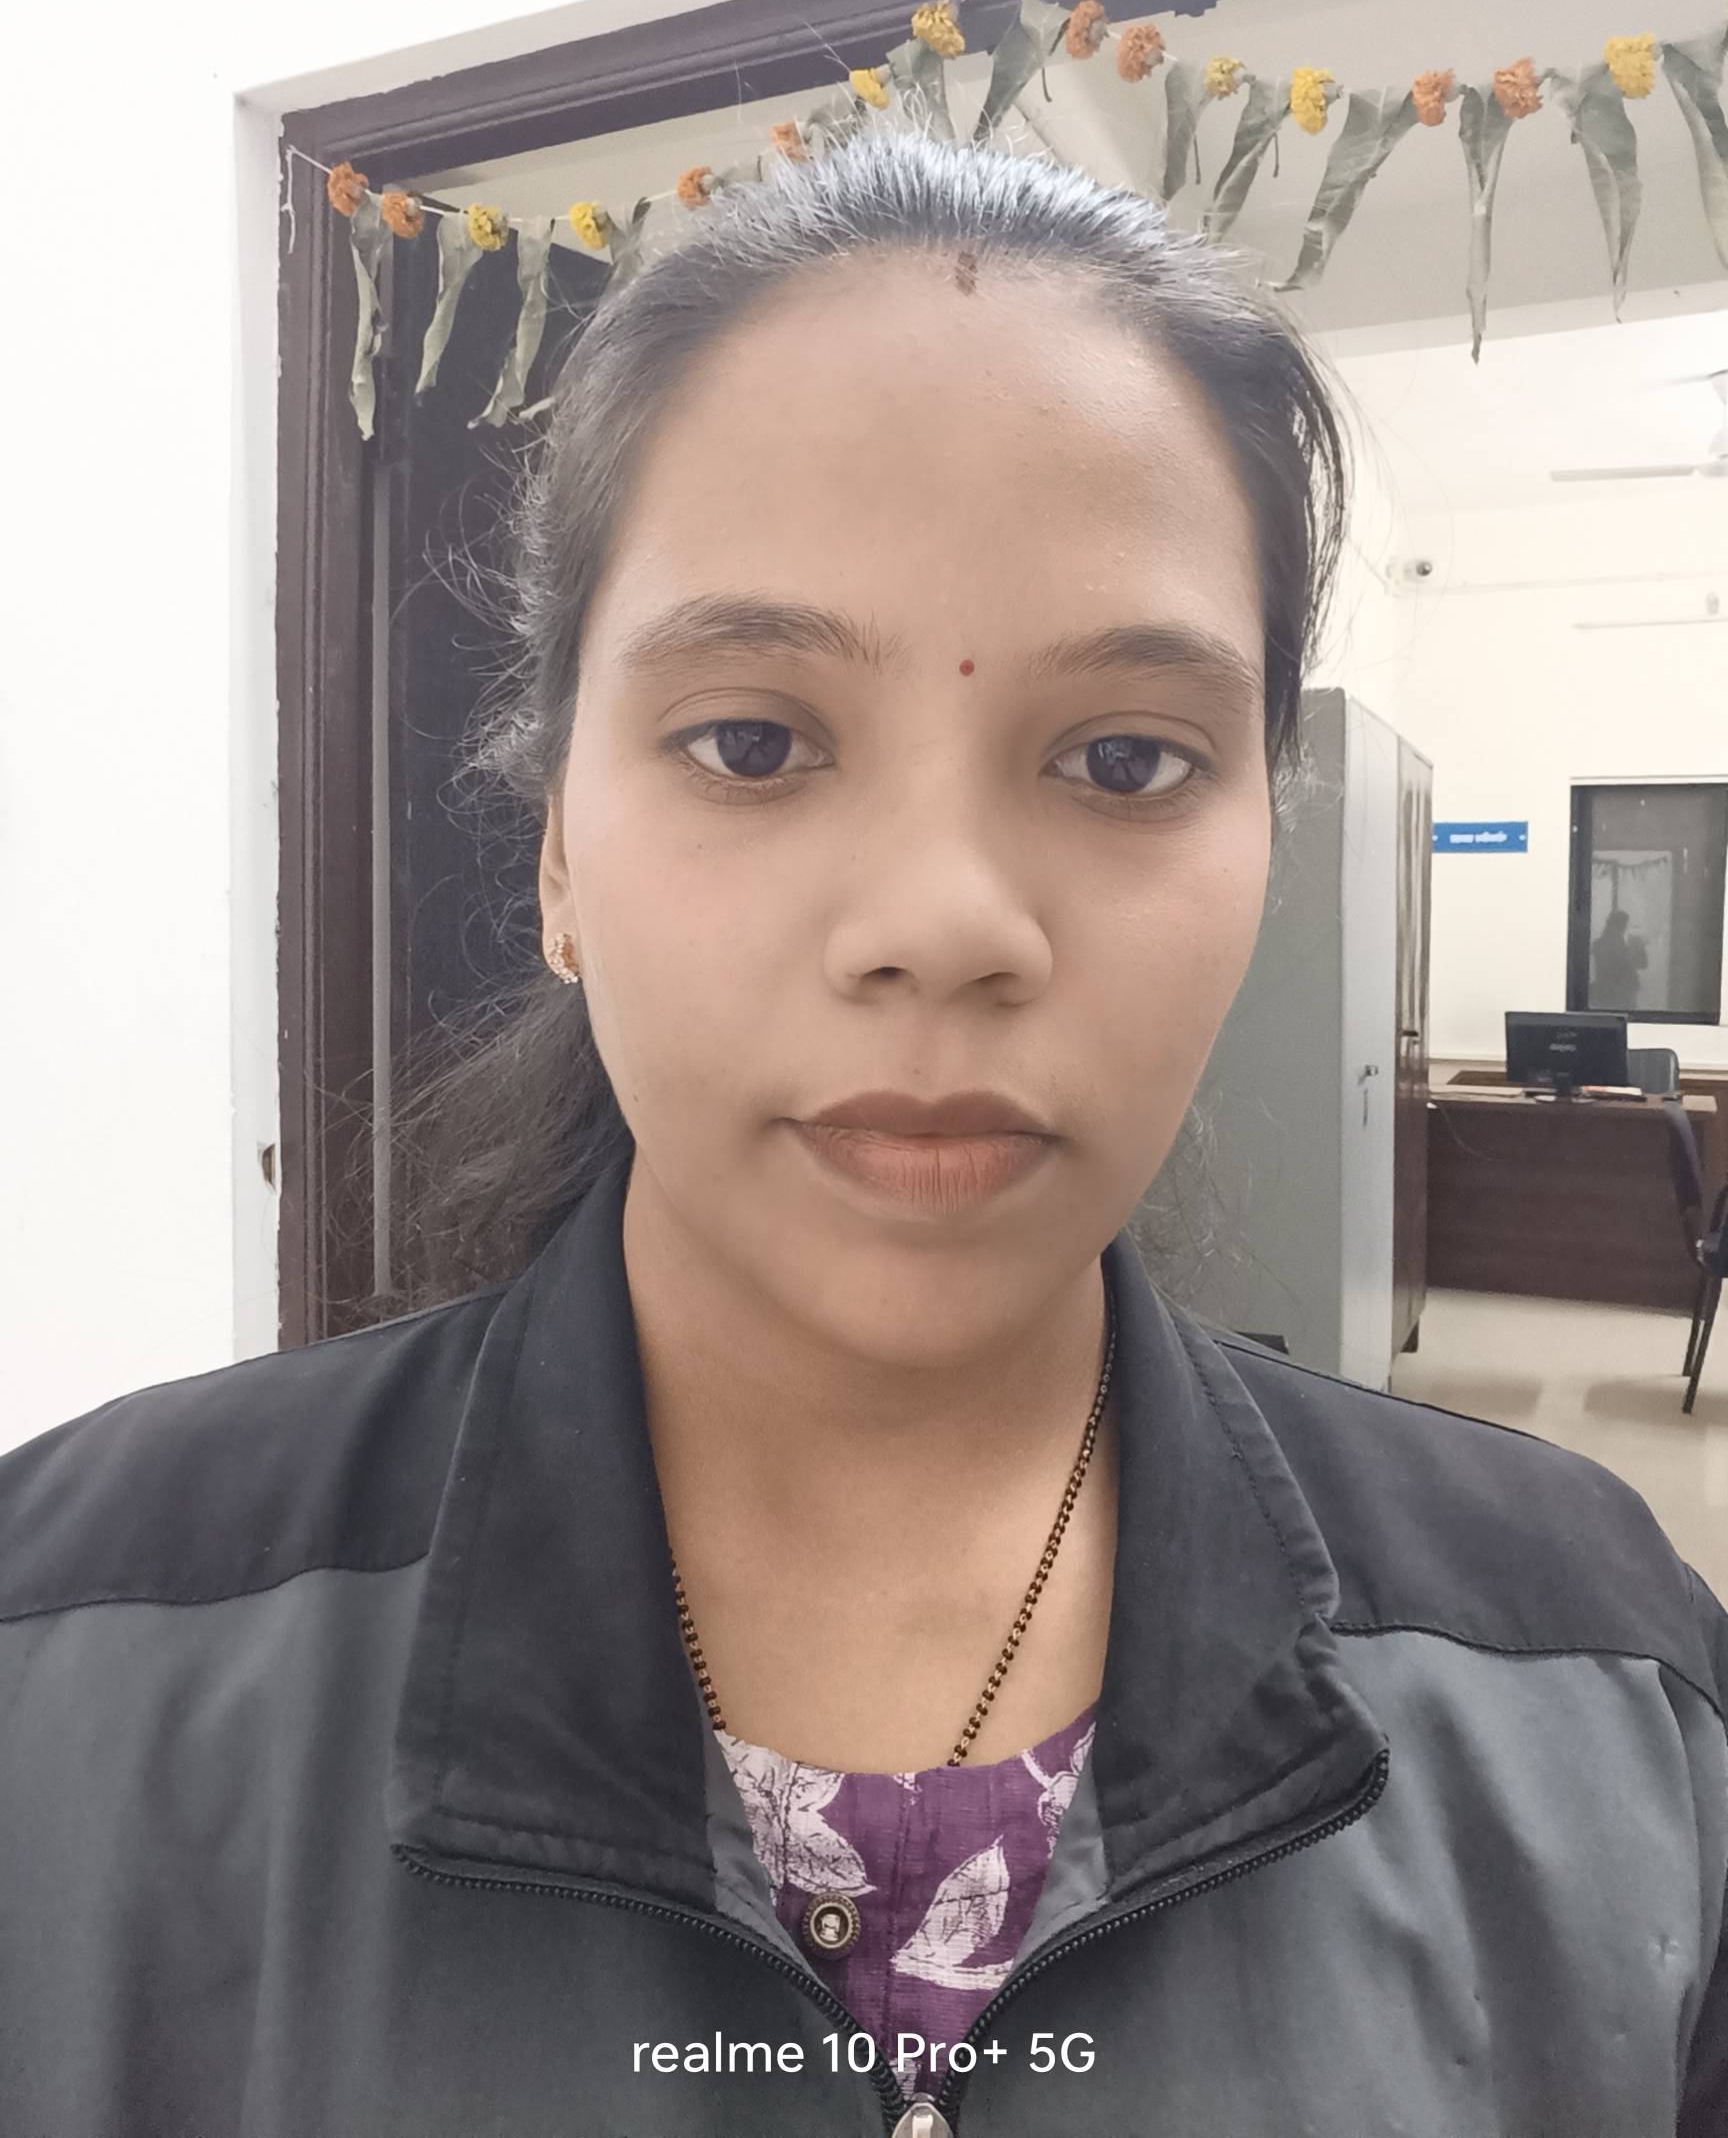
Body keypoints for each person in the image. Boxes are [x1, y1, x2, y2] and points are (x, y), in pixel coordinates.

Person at [1, 129, 1723, 2138]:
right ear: (557, 855)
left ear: (1266, 839)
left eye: (1124, 759)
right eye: (753, 740)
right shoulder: (67, 1668)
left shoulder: (1607, 1692)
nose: (942, 923)